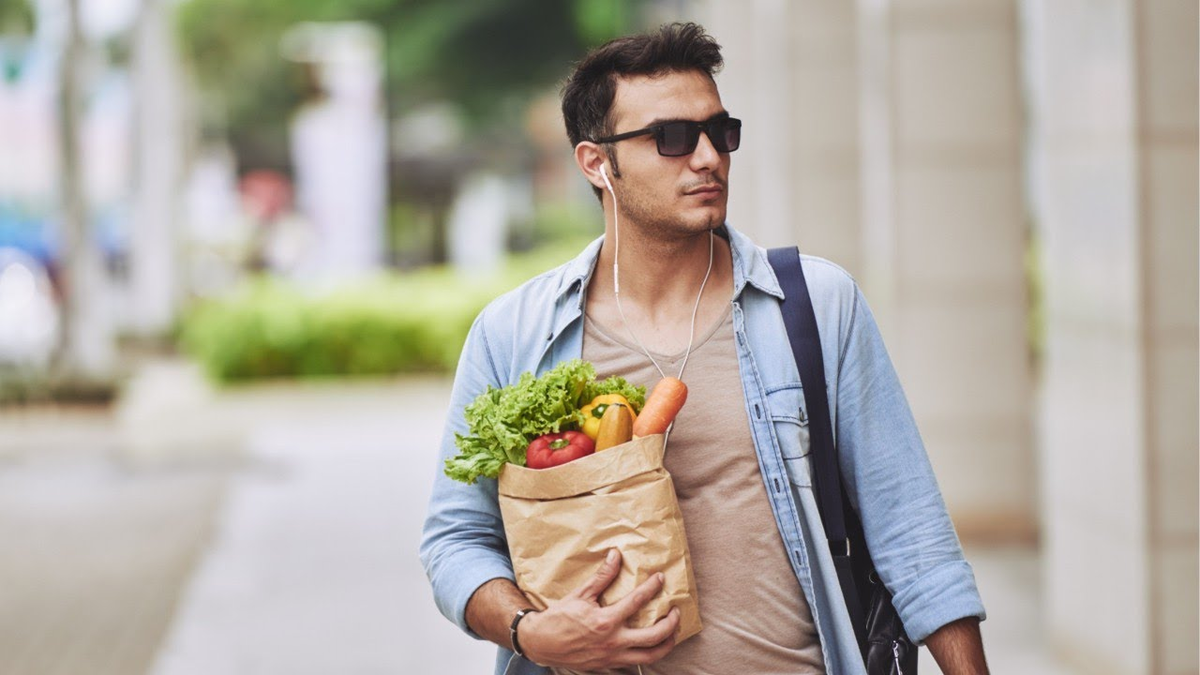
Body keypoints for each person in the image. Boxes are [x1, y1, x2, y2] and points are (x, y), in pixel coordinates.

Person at [421, 22, 989, 675]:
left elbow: (913, 532)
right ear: (596, 162)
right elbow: (455, 539)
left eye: (720, 132)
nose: (708, 158)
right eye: (672, 138)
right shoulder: (515, 333)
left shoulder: (815, 306)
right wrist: (531, 630)